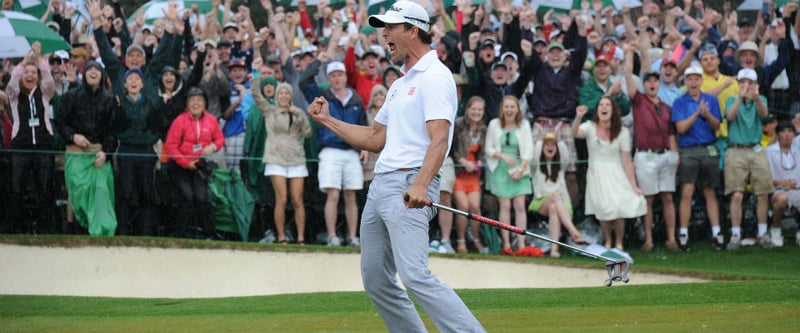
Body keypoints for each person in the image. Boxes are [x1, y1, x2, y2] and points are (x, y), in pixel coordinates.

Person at [308, 2, 485, 331]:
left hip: (409, 185)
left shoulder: (436, 76)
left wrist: (420, 183)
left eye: (391, 27)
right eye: (382, 27)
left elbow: (440, 138)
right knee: (376, 280)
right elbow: (375, 138)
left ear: (413, 30)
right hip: (380, 188)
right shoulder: (400, 84)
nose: (383, 34)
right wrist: (327, 120)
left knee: (415, 276)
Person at [624, 46, 680, 253]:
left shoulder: (666, 107)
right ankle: (648, 240)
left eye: (655, 80)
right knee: (648, 199)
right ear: (644, 83)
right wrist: (630, 54)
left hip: (665, 154)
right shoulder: (638, 100)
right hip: (645, 155)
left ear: (659, 83)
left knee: (667, 197)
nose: (652, 83)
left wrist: (674, 154)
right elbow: (628, 76)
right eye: (648, 80)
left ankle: (671, 239)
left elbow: (672, 132)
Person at [572, 97, 646, 250]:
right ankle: (607, 240)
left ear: (613, 110)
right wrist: (579, 116)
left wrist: (634, 186)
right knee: (603, 209)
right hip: (596, 173)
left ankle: (619, 242)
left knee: (618, 207)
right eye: (601, 105)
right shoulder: (590, 127)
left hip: (616, 173)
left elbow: (627, 160)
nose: (604, 108)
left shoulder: (623, 131)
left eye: (607, 105)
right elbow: (575, 133)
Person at [56, 60, 118, 236]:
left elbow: (112, 131)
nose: (93, 72)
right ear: (84, 74)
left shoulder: (109, 99)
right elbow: (60, 122)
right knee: (79, 190)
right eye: (89, 69)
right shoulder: (71, 96)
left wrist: (106, 152)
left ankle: (102, 232)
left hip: (98, 155)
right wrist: (73, 136)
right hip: (76, 154)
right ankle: (77, 229)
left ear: (102, 75)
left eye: (96, 69)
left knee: (102, 190)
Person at [308, 61, 366, 247]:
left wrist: (363, 147)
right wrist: (319, 60)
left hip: (351, 151)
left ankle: (352, 236)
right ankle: (332, 236)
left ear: (345, 77)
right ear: (329, 78)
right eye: (333, 75)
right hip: (330, 150)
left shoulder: (356, 99)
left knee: (351, 195)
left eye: (340, 74)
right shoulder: (322, 97)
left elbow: (362, 125)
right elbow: (303, 81)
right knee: (332, 193)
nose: (337, 78)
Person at [253, 80, 312, 244]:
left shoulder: (298, 112)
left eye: (287, 93)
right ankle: (281, 237)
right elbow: (257, 96)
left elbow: (307, 133)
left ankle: (301, 238)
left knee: (297, 199)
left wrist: (299, 115)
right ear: (277, 96)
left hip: (296, 158)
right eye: (281, 93)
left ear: (291, 96)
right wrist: (256, 75)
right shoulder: (270, 111)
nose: (284, 96)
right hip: (275, 158)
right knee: (282, 198)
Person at [6, 43, 56, 233]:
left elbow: (50, 81)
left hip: (43, 146)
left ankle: (44, 228)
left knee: (44, 189)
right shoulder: (14, 95)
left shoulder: (44, 93)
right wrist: (25, 62)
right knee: (17, 189)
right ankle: (16, 228)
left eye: (33, 73)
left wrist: (39, 59)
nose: (29, 75)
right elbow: (11, 84)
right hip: (21, 147)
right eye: (26, 72)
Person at [672, 66, 723, 251]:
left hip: (708, 148)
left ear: (701, 80)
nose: (693, 82)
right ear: (685, 82)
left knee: (710, 192)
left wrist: (707, 113)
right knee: (687, 192)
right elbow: (680, 129)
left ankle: (717, 232)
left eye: (696, 78)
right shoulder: (679, 102)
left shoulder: (711, 99)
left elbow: (717, 126)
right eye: (690, 79)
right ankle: (683, 233)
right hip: (688, 150)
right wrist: (696, 113)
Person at [164, 87, 225, 239]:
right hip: (181, 166)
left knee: (202, 198)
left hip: (201, 165)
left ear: (205, 103)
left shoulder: (211, 120)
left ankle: (209, 234)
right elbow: (171, 146)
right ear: (187, 104)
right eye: (192, 100)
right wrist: (186, 163)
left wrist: (213, 146)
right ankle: (180, 233)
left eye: (199, 100)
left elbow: (220, 139)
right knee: (187, 197)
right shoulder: (180, 121)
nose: (196, 103)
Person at [723, 68, 773, 250]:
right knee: (736, 194)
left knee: (763, 193)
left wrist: (757, 97)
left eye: (749, 83)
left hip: (756, 149)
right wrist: (740, 97)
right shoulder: (731, 100)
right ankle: (735, 234)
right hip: (736, 149)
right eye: (742, 82)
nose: (746, 86)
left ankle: (762, 233)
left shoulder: (762, 100)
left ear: (755, 85)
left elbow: (764, 115)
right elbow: (730, 116)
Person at [112, 68, 162, 236]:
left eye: (137, 79)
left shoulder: (150, 103)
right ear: (125, 84)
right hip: (126, 150)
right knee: (125, 191)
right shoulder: (119, 103)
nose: (133, 82)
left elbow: (156, 128)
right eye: (130, 79)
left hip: (145, 151)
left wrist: (145, 137)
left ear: (142, 83)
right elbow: (116, 128)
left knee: (147, 191)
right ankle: (124, 230)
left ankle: (146, 230)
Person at [485, 95, 535, 256]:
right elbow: (488, 149)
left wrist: (520, 170)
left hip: (520, 168)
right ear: (502, 109)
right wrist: (502, 156)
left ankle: (521, 243)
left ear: (517, 109)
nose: (509, 110)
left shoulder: (524, 125)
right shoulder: (494, 124)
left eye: (512, 107)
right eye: (506, 107)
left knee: (520, 206)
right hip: (500, 169)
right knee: (505, 206)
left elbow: (529, 151)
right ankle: (506, 243)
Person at [529, 125, 588, 258]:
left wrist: (558, 137)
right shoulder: (536, 166)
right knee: (554, 197)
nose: (550, 147)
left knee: (553, 208)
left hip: (561, 204)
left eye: (553, 145)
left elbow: (566, 155)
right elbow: (534, 155)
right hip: (540, 202)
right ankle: (573, 231)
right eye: (547, 145)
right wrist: (539, 138)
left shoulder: (560, 167)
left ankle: (554, 249)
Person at [451, 96, 488, 254]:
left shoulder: (483, 129)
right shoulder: (458, 125)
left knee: (475, 207)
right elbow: (452, 148)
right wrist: (462, 160)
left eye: (480, 110)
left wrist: (479, 163)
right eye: (474, 109)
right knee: (463, 207)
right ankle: (460, 240)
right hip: (460, 171)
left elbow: (483, 152)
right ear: (467, 109)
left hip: (474, 174)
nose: (476, 112)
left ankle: (475, 238)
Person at [766, 120, 800, 247]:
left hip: (797, 189)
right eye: (783, 132)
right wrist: (782, 183)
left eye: (790, 132)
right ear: (778, 134)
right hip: (777, 190)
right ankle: (775, 228)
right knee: (782, 198)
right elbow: (765, 179)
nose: (787, 135)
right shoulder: (769, 151)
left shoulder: (797, 148)